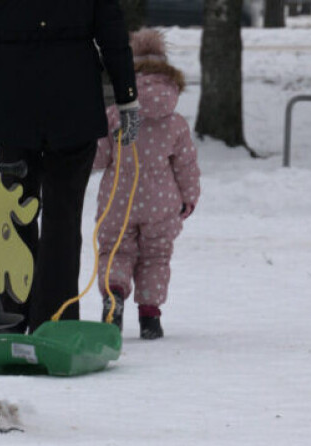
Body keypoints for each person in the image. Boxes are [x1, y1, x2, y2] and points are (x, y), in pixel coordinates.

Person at [0, 0, 140, 334]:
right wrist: (126, 96)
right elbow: (112, 33)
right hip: (72, 102)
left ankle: (13, 316)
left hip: (15, 101)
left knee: (15, 216)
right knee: (62, 219)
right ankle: (53, 320)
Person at [93, 28, 200, 340]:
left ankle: (113, 299)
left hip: (118, 198)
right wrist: (188, 199)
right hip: (162, 200)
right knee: (156, 256)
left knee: (115, 251)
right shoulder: (175, 121)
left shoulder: (114, 116)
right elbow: (186, 165)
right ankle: (150, 317)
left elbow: (99, 158)